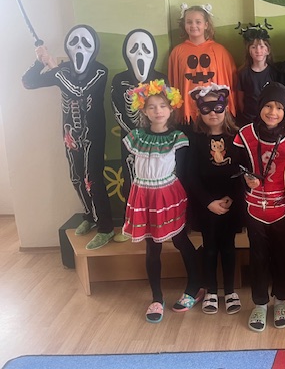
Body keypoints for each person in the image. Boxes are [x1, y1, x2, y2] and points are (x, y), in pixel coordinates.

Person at [22, 25, 114, 250]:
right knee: (76, 178)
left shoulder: (99, 71)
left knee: (92, 179)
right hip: (71, 135)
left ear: (94, 46)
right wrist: (40, 61)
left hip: (92, 134)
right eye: (74, 41)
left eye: (85, 42)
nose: (79, 46)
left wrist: (55, 68)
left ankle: (106, 227)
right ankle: (90, 216)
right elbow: (29, 82)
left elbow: (78, 91)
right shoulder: (63, 70)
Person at [121, 79, 203, 323]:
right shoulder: (135, 137)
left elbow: (185, 172)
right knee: (152, 247)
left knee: (180, 240)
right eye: (152, 106)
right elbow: (128, 170)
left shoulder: (178, 137)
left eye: (162, 106)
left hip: (168, 194)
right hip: (143, 195)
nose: (158, 111)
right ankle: (156, 297)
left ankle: (195, 286)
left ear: (171, 108)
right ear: (144, 110)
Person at [233, 82, 285, 332]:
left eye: (279, 107)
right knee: (258, 256)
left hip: (283, 208)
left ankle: (281, 300)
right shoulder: (245, 134)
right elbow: (235, 168)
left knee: (282, 255)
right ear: (260, 106)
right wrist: (245, 179)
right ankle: (260, 303)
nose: (273, 112)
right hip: (254, 209)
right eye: (269, 106)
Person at [187, 84, 243, 316]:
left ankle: (229, 290)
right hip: (206, 204)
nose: (213, 113)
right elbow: (190, 175)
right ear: (199, 111)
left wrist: (232, 197)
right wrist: (208, 202)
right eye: (206, 108)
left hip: (231, 203)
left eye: (217, 107)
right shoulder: (195, 140)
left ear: (225, 108)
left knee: (228, 247)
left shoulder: (237, 138)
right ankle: (211, 289)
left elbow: (242, 170)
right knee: (209, 247)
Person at [111, 29, 167, 241]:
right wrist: (136, 138)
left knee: (158, 183)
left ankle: (158, 222)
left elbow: (167, 109)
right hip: (129, 142)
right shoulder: (119, 80)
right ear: (126, 53)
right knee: (131, 182)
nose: (140, 53)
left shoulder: (161, 79)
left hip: (156, 140)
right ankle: (132, 224)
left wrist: (154, 137)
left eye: (145, 48)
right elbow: (117, 112)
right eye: (134, 48)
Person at [168, 4, 238, 125]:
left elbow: (231, 81)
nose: (193, 25)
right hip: (189, 114)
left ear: (206, 25)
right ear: (184, 24)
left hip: (215, 111)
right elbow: (173, 84)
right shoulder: (177, 52)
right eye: (189, 22)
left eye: (198, 22)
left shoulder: (219, 51)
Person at [236, 22, 279, 127]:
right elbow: (240, 100)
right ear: (249, 51)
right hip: (249, 119)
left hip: (269, 118)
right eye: (253, 47)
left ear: (267, 50)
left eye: (261, 46)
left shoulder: (275, 72)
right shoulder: (243, 73)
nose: (258, 51)